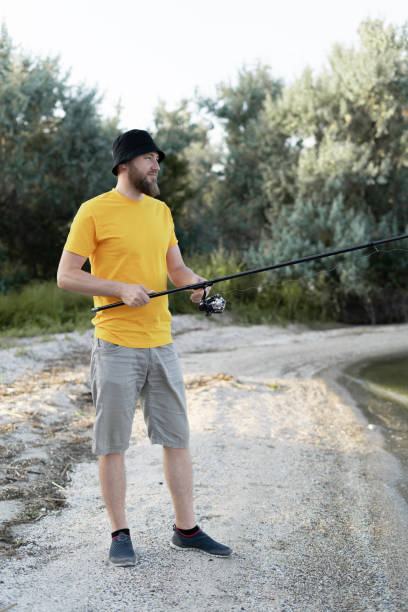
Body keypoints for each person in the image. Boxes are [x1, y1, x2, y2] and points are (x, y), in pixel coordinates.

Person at [57, 129, 232, 566]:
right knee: (112, 443)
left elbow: (176, 268)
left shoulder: (161, 211)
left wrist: (196, 284)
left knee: (177, 438)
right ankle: (119, 534)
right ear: (124, 163)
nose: (156, 165)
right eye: (148, 158)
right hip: (115, 344)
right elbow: (66, 275)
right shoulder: (93, 211)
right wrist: (118, 287)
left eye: (158, 159)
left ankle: (186, 529)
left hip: (162, 343)